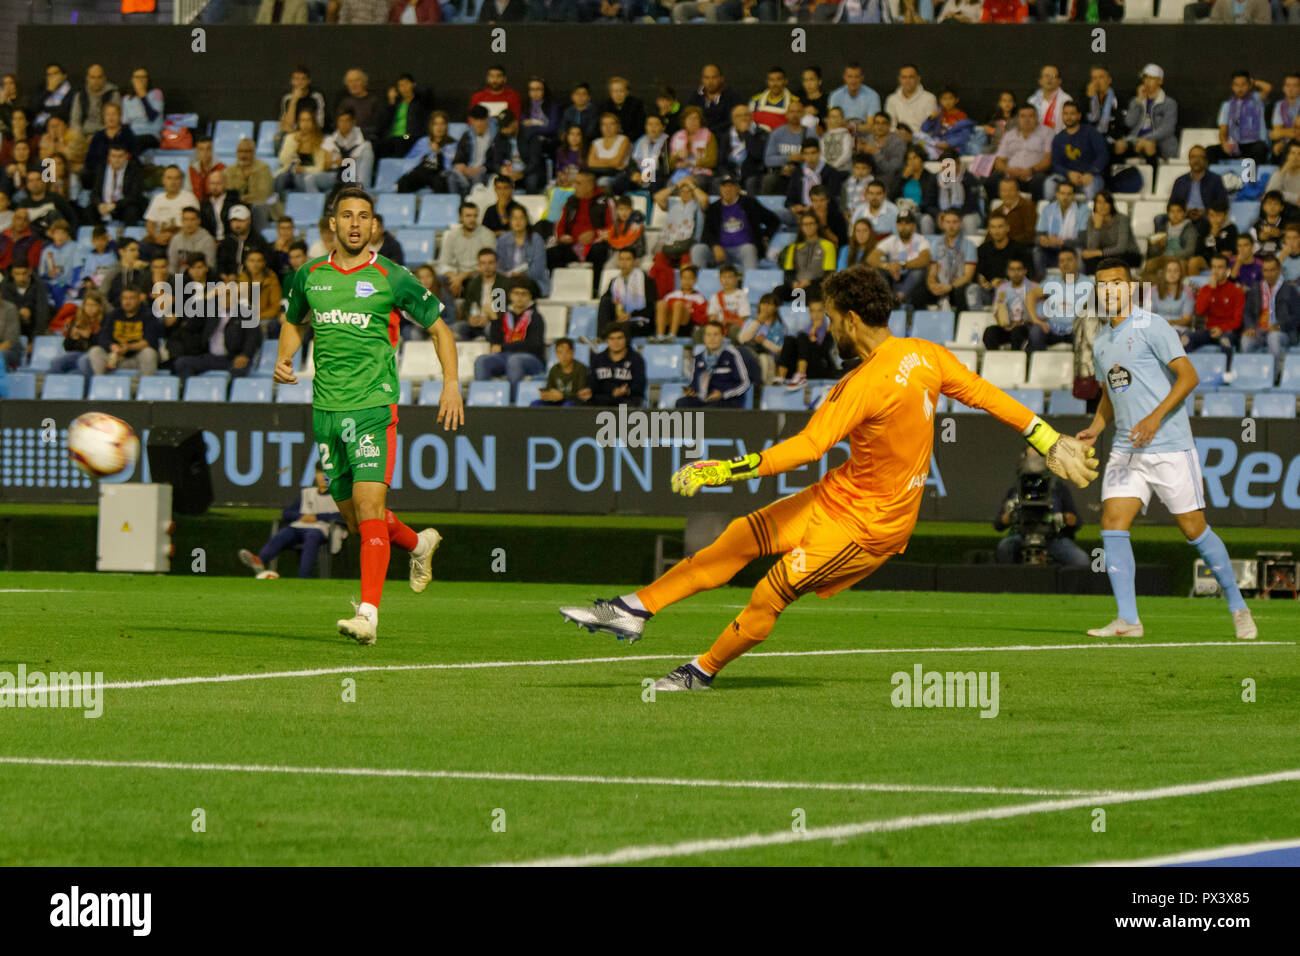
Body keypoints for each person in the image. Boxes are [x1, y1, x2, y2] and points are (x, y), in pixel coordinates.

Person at [558, 265, 1099, 690]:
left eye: (831, 317)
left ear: (850, 319)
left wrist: (725, 468)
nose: (827, 326)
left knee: (770, 592)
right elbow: (986, 395)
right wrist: (1049, 438)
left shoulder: (862, 385)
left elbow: (806, 447)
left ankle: (699, 671)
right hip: (838, 495)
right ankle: (634, 609)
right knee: (740, 538)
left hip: (869, 526)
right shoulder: (926, 354)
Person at [276, 186, 464, 644]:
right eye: (347, 216)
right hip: (325, 411)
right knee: (358, 521)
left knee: (368, 507)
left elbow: (440, 330)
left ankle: (368, 614)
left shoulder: (392, 277)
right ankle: (419, 544)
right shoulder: (308, 277)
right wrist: (284, 360)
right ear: (332, 225)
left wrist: (452, 384)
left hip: (373, 408)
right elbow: (294, 320)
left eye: (364, 216)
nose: (356, 223)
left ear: (374, 226)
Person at [1076, 258, 1256, 641]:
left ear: (1130, 287)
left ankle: (1238, 606)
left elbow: (1188, 376)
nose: (1109, 290)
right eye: (1102, 285)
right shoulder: (1103, 340)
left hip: (1169, 444)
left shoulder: (1152, 325)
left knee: (1193, 529)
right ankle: (1128, 619)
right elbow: (1111, 391)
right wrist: (1096, 426)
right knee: (1112, 523)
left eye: (1116, 283)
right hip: (1127, 447)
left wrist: (1156, 417)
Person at [993, 449, 1089, 568]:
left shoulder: (1058, 487)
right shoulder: (1016, 489)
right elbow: (998, 524)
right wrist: (1009, 517)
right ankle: (1008, 584)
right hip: (1021, 536)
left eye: (1039, 457)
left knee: (1081, 560)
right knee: (1004, 548)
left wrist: (1066, 519)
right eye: (1031, 458)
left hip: (1053, 538)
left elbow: (1077, 523)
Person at [238, 470, 342, 580]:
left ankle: (304, 577)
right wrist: (300, 517)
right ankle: (260, 560)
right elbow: (286, 512)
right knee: (284, 533)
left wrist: (317, 517)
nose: (323, 477)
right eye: (320, 473)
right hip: (300, 526)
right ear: (315, 475)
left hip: (321, 529)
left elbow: (343, 515)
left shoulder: (339, 495)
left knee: (311, 537)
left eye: (327, 473)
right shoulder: (307, 493)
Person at [474, 278, 547, 403]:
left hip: (532, 359)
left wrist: (504, 348)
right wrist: (494, 320)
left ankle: (512, 404)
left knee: (515, 360)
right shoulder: (504, 315)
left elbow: (534, 345)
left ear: (529, 296)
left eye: (524, 294)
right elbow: (495, 343)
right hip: (506, 357)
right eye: (516, 293)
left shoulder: (535, 317)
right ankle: (482, 401)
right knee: (482, 361)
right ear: (511, 295)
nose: (520, 297)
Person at [677, 320, 751, 409]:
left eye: (716, 334)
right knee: (681, 403)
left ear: (722, 337)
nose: (712, 338)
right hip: (706, 399)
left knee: (709, 411)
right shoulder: (698, 357)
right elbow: (694, 383)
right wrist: (691, 391)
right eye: (708, 335)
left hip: (728, 400)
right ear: (704, 338)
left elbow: (745, 383)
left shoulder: (732, 354)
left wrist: (723, 394)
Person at [868, 211, 931, 308]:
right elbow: (871, 257)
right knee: (877, 270)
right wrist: (887, 266)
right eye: (900, 224)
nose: (903, 227)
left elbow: (925, 259)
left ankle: (899, 297)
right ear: (897, 226)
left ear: (913, 226)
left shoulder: (920, 240)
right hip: (894, 275)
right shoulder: (892, 239)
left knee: (919, 271)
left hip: (911, 277)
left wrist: (902, 265)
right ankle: (886, 300)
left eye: (907, 224)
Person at [597, 247, 657, 339]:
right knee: (605, 300)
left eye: (628, 259)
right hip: (619, 319)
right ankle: (601, 338)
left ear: (634, 262)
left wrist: (631, 315)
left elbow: (651, 307)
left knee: (623, 328)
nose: (624, 263)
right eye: (621, 259)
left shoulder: (646, 281)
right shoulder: (614, 282)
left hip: (640, 321)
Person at [587, 323, 646, 406]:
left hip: (627, 400)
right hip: (603, 400)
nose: (616, 342)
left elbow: (639, 386)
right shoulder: (597, 359)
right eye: (612, 338)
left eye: (619, 338)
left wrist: (626, 391)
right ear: (607, 340)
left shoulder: (636, 360)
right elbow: (592, 384)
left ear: (626, 339)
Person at [534, 337, 589, 406]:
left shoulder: (581, 369)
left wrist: (563, 396)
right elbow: (550, 389)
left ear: (572, 352)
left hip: (573, 402)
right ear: (556, 354)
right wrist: (546, 395)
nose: (564, 356)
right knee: (536, 404)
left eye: (567, 352)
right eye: (560, 352)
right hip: (556, 401)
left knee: (568, 405)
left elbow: (582, 395)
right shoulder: (554, 369)